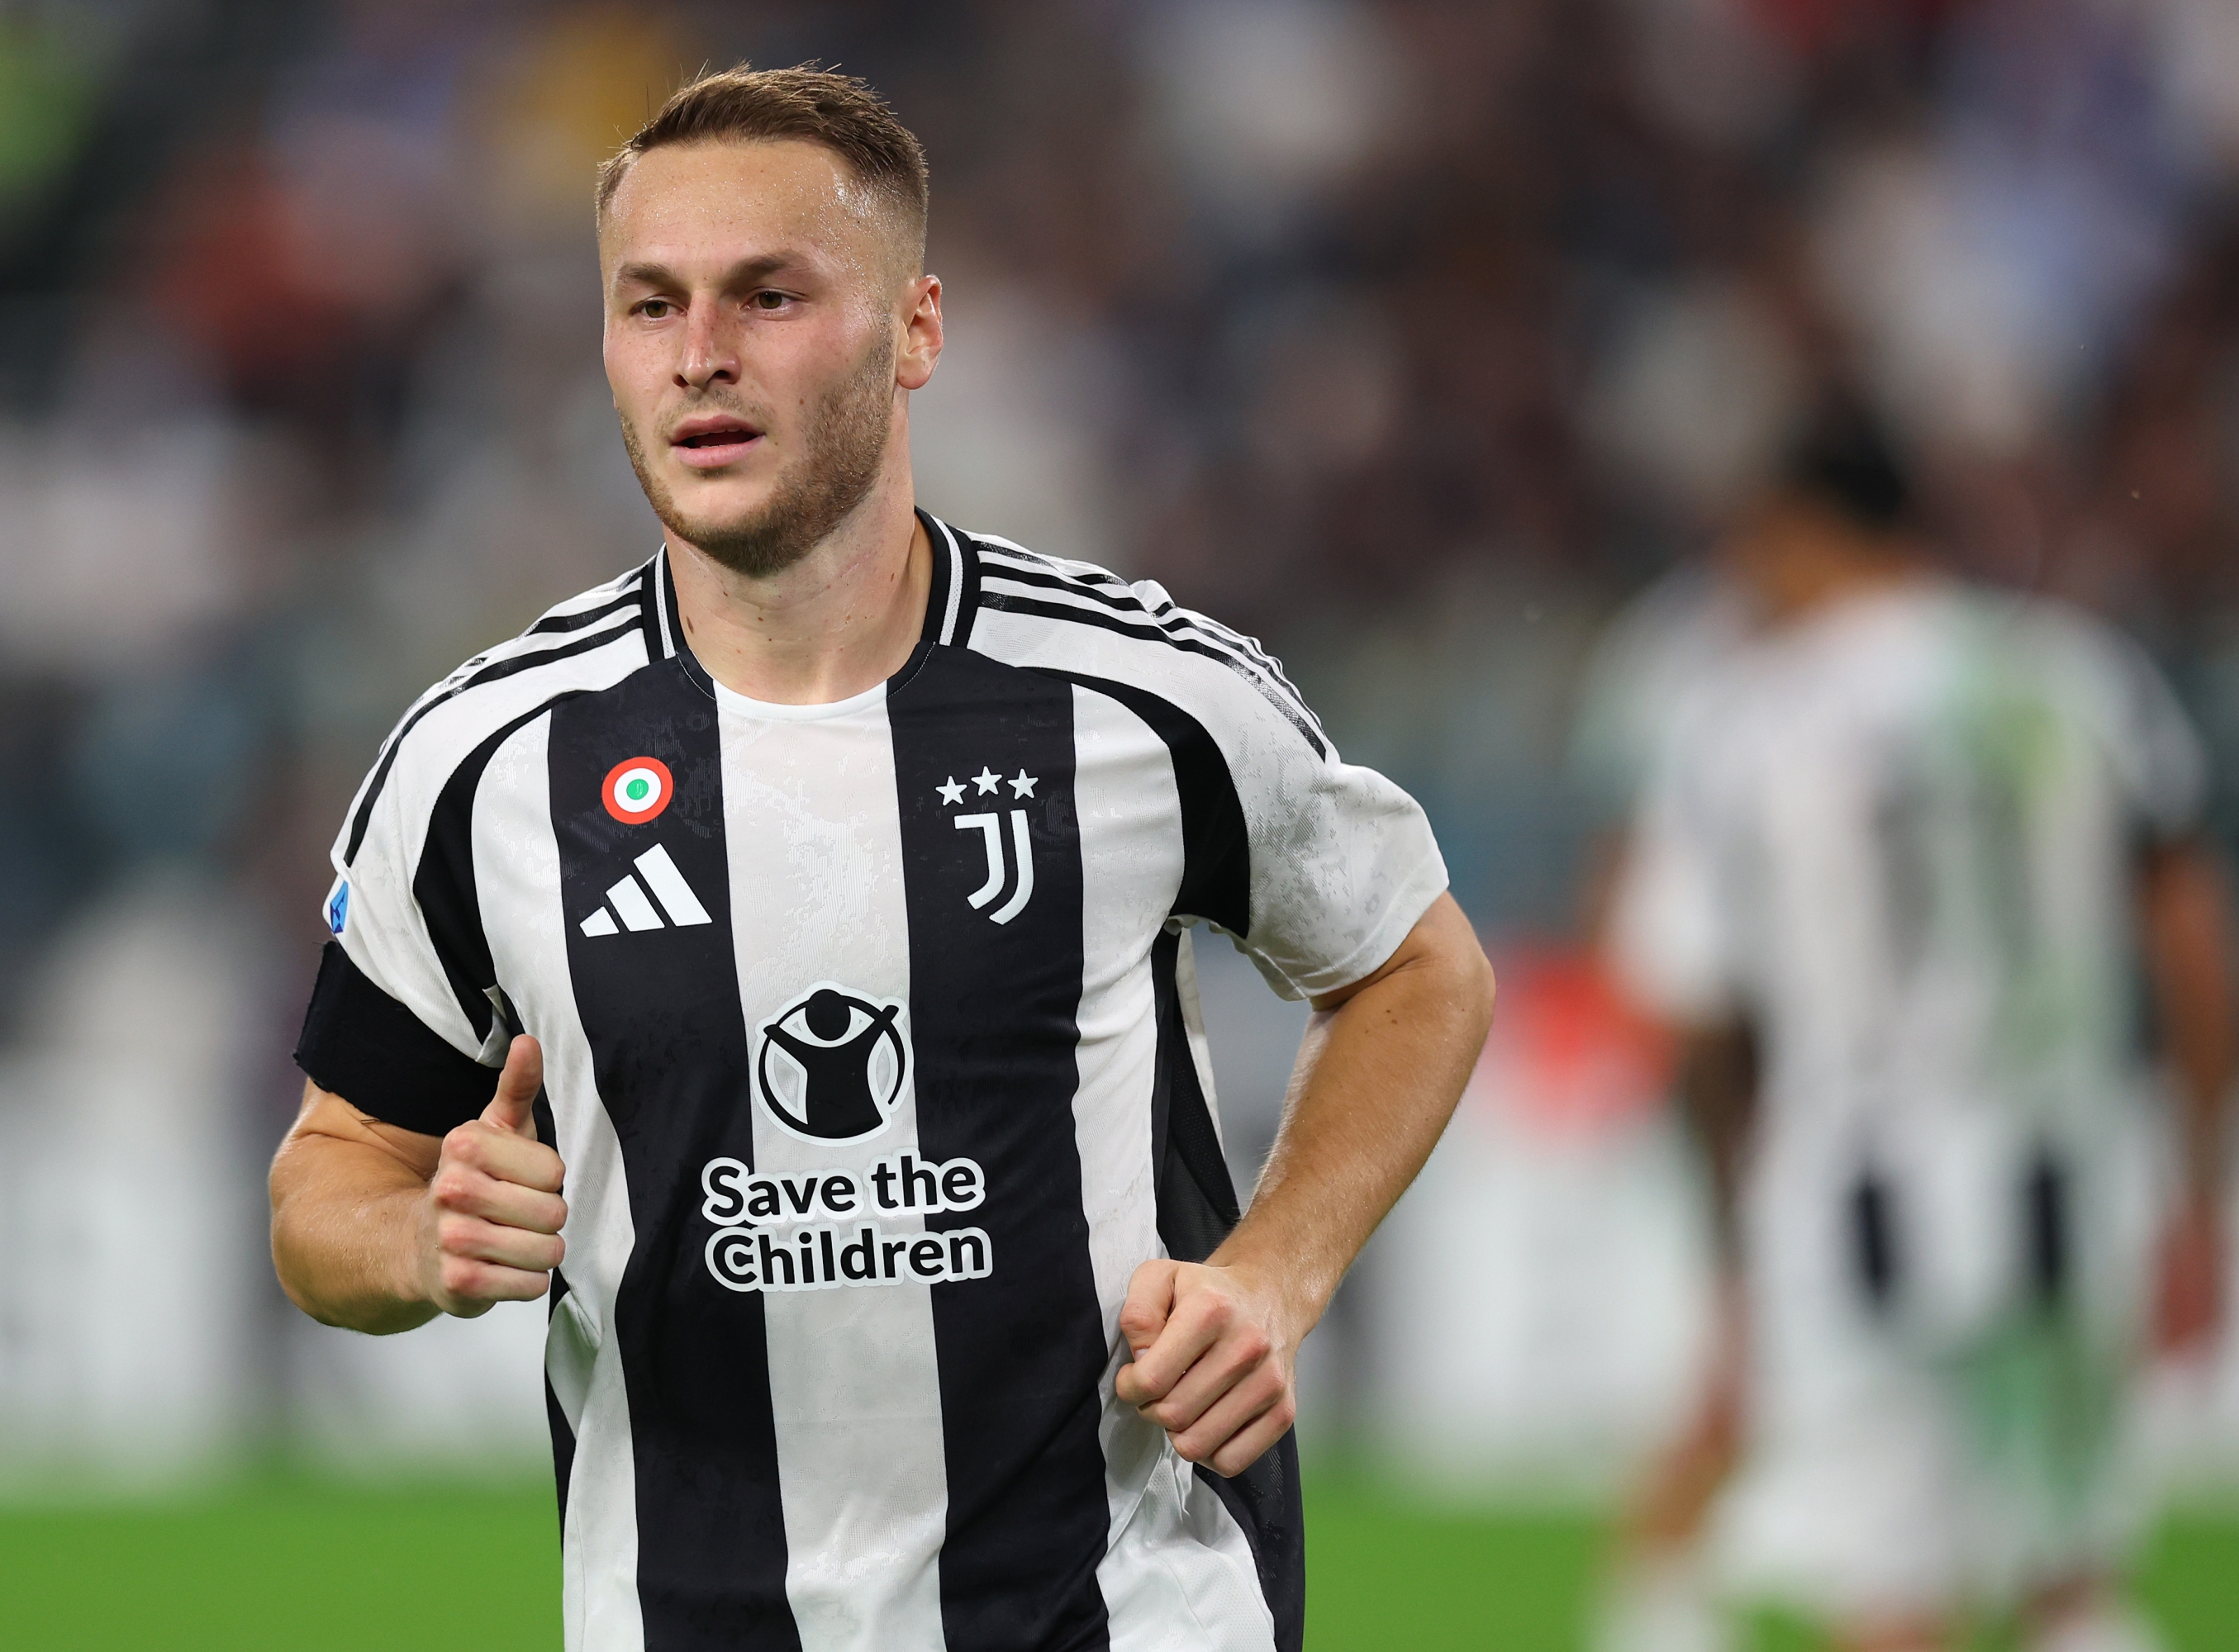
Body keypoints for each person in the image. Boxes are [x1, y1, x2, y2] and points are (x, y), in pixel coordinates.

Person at [267, 65, 1494, 1652]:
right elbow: (328, 1174)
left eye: (769, 295)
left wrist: (1275, 1272)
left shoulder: (1139, 699)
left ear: (916, 329)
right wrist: (419, 1237)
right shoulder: (482, 762)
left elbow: (1415, 961)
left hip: (1124, 1610)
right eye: (650, 307)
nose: (700, 355)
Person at [1605, 405, 2234, 1652]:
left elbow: (1696, 1019)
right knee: (2072, 1580)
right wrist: (2198, 1197)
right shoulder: (2072, 676)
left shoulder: (1742, 720)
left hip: (1860, 1195)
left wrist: (1731, 1259)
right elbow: (2192, 956)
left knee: (1892, 1593)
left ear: (1794, 532)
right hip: (2073, 1174)